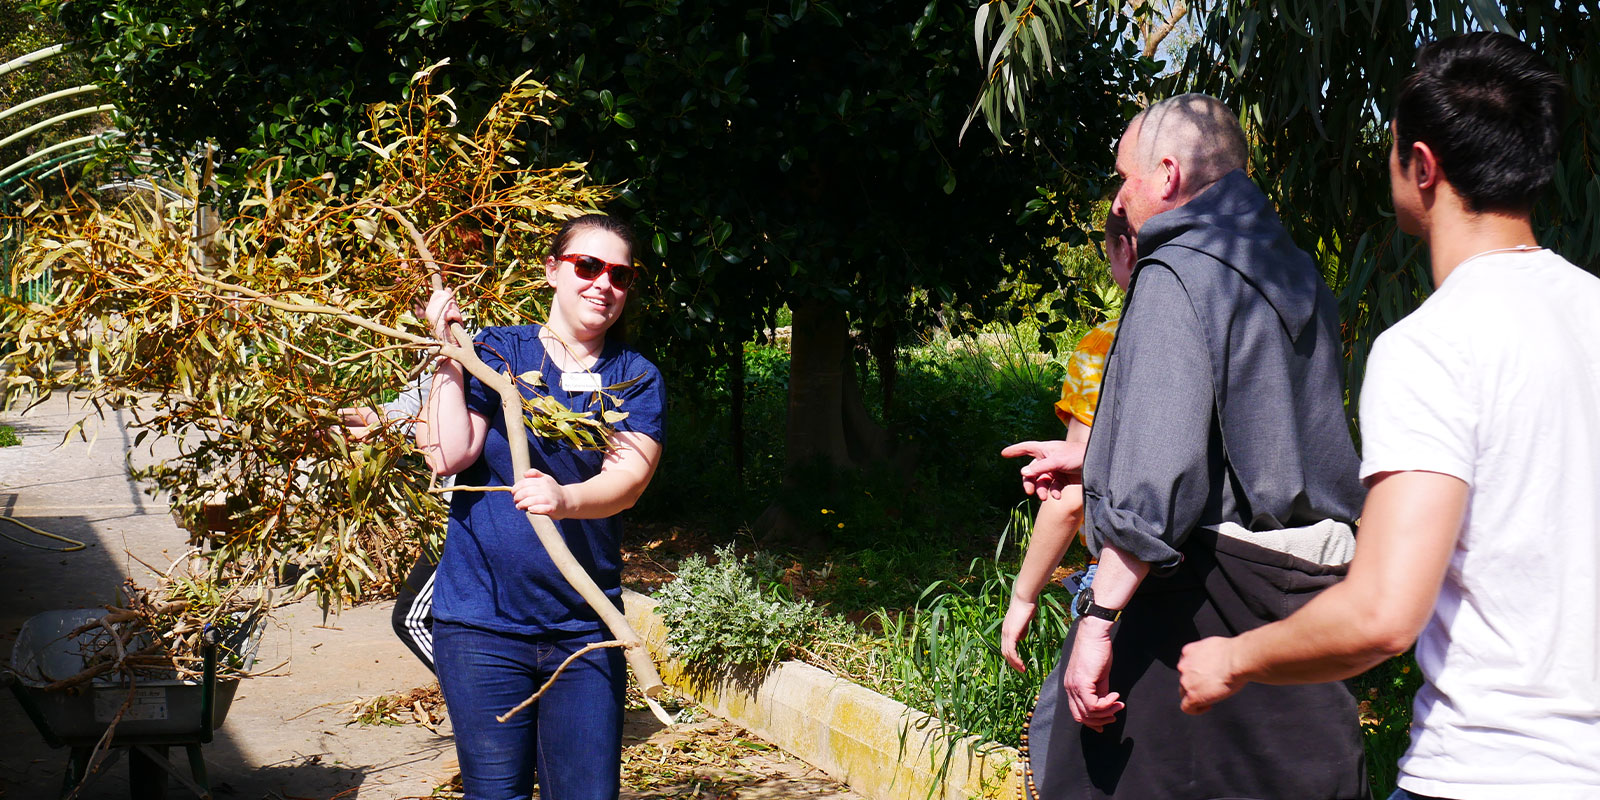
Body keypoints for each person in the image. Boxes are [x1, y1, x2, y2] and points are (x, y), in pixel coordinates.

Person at [1178, 33, 1599, 800]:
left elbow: (1381, 614)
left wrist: (1233, 658)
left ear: (1424, 167)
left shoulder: (1433, 346)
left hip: (1489, 771)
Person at [1005, 94, 1368, 798]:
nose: (1120, 195)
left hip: (1202, 604)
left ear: (1165, 175)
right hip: (1300, 599)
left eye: (1124, 176)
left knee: (1088, 770)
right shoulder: (1292, 269)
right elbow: (1265, 431)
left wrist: (1100, 621)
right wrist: (1096, 453)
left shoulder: (1177, 271)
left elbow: (1158, 482)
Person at [417, 214, 664, 800]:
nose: (603, 283)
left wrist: (565, 499)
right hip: (481, 623)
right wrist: (449, 355)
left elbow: (628, 479)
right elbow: (448, 454)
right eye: (588, 266)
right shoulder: (498, 350)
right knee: (495, 793)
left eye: (620, 275)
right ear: (553, 271)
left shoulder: (633, 376)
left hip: (586, 628)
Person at [999, 210, 1136, 673]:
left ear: (1124, 251)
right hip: (1231, 575)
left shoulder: (1104, 347)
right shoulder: (1237, 335)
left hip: (1126, 571)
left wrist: (1023, 594)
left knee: (1071, 728)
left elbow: (1074, 495)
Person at [338, 378, 444, 673]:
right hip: (456, 509)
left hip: (467, 513)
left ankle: (473, 698)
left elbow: (416, 426)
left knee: (411, 618)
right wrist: (335, 415)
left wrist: (367, 432)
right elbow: (403, 412)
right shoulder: (432, 351)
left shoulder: (474, 344)